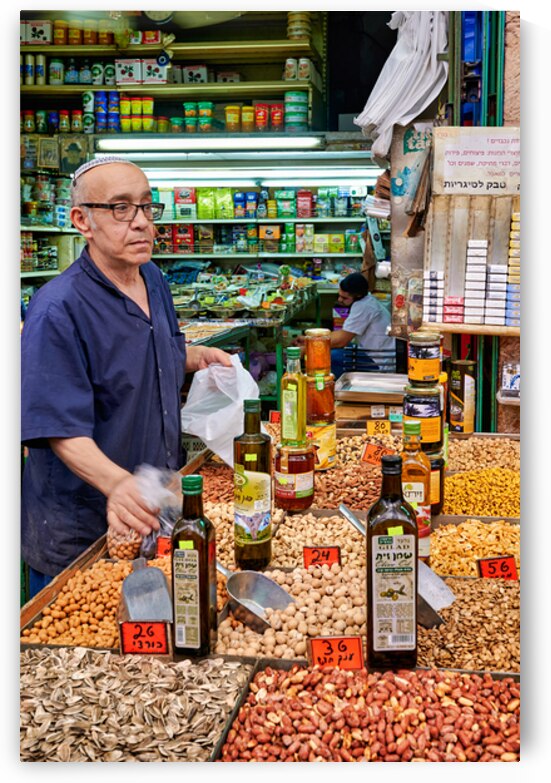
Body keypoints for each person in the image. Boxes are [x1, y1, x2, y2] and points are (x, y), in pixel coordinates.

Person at [21, 156, 232, 598]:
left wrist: (193, 358)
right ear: (83, 220)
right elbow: (58, 428)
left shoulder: (152, 278)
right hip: (84, 526)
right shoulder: (57, 308)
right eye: (120, 208)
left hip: (150, 510)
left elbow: (145, 354)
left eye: (146, 207)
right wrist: (119, 485)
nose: (140, 223)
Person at [295, 272, 396, 377]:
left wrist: (308, 348)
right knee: (329, 348)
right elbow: (343, 333)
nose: (339, 300)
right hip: (372, 354)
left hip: (379, 363)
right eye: (339, 296)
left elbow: (341, 340)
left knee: (328, 356)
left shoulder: (363, 306)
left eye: (344, 298)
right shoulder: (367, 300)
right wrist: (309, 340)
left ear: (358, 296)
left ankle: (332, 390)